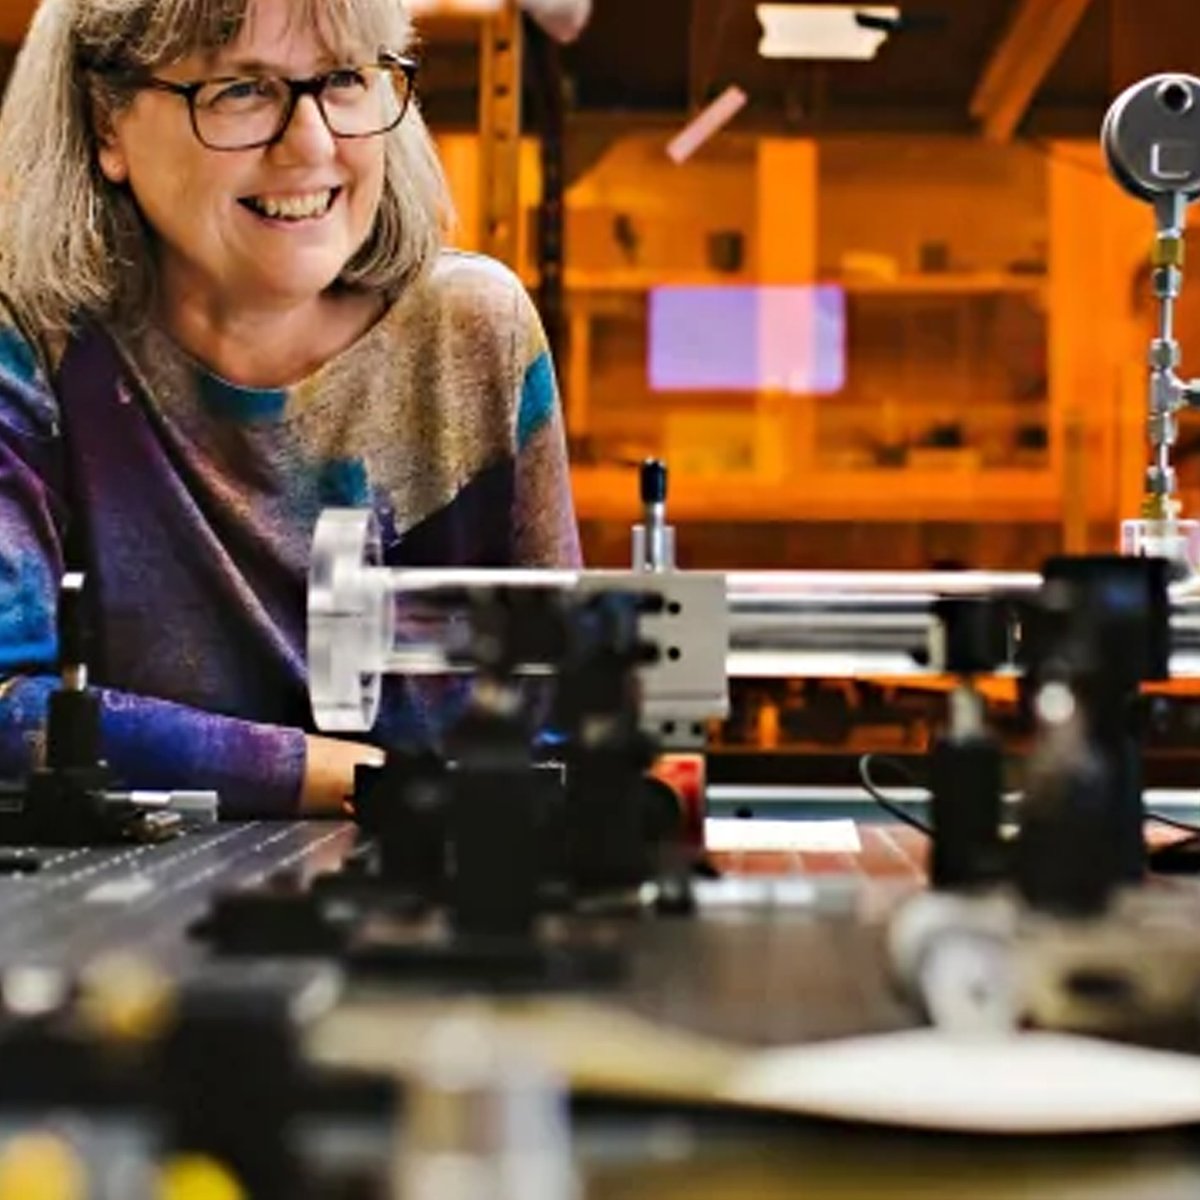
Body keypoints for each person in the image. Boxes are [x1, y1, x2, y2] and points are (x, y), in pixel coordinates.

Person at [0, 0, 582, 818]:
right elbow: (5, 708)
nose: (310, 144)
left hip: (420, 918)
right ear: (107, 125)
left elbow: (561, 723)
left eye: (344, 78)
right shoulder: (29, 345)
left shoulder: (472, 335)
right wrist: (352, 780)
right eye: (242, 90)